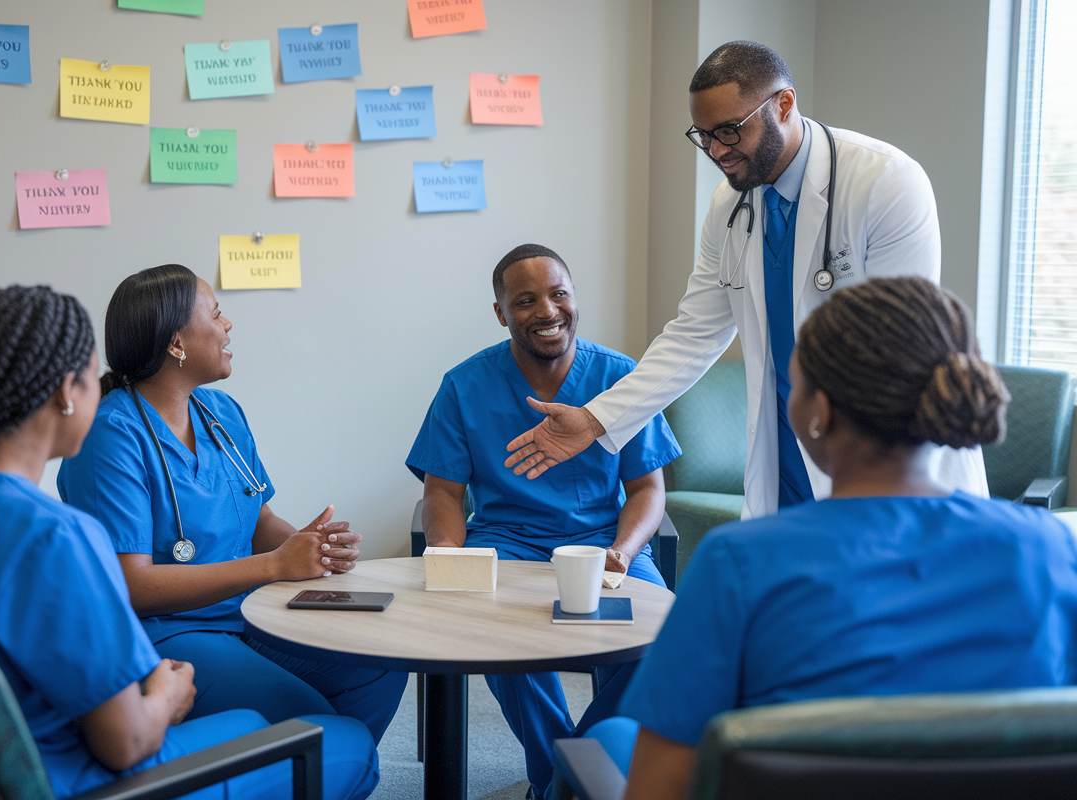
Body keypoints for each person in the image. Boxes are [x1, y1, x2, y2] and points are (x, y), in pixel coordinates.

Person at [0, 286, 380, 800]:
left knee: (293, 708)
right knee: (343, 745)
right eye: (96, 375)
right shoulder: (57, 539)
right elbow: (124, 742)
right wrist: (168, 697)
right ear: (68, 392)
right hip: (68, 782)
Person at [578, 277, 1077, 800]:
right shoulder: (1049, 549)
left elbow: (662, 788)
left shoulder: (740, 563)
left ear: (820, 411)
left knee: (610, 738)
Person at [504, 41, 986, 519]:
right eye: (704, 135)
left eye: (730, 131)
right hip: (787, 455)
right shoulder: (729, 204)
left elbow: (899, 349)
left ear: (784, 104)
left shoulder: (885, 182)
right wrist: (595, 419)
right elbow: (695, 333)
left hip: (880, 464)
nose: (716, 150)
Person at [57, 264, 407, 746]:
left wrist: (311, 548)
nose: (228, 326)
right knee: (306, 721)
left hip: (251, 612)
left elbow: (258, 517)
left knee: (378, 670)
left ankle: (325, 777)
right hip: (165, 634)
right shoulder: (110, 435)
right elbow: (131, 585)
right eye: (217, 314)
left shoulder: (222, 414)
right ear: (176, 341)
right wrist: (274, 566)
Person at [406, 244, 681, 799]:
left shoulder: (620, 377)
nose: (547, 311)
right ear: (501, 312)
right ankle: (565, 778)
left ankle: (563, 780)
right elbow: (442, 492)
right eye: (525, 300)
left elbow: (649, 489)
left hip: (606, 545)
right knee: (495, 635)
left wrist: (624, 550)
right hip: (507, 543)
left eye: (558, 294)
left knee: (664, 639)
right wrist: (449, 556)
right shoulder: (465, 385)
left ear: (575, 299)